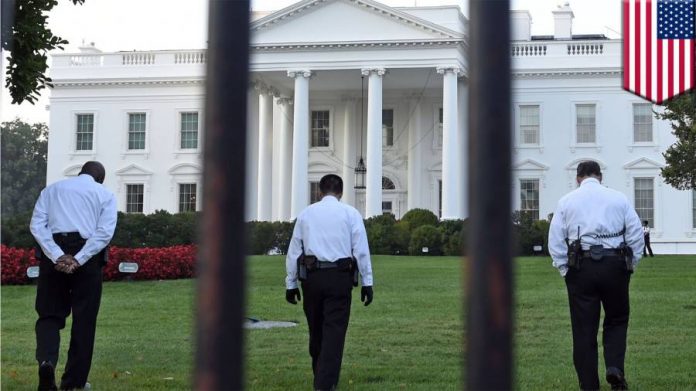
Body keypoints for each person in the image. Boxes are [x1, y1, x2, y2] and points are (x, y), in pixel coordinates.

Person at [548, 161, 644, 391]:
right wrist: (631, 264)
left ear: (578, 178)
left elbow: (556, 240)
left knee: (583, 328)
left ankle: (589, 384)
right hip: (615, 264)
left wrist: (565, 269)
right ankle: (615, 369)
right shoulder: (619, 198)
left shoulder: (567, 201)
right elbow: (635, 233)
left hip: (581, 266)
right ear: (600, 177)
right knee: (617, 320)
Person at [30, 161, 118, 391]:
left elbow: (37, 226)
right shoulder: (104, 194)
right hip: (87, 255)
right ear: (100, 178)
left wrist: (58, 255)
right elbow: (104, 233)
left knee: (49, 314)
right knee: (84, 320)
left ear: (81, 173)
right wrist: (78, 258)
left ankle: (46, 362)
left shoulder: (51, 190)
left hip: (54, 254)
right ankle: (73, 382)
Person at [285, 174, 374, 391]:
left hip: (313, 278)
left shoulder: (306, 214)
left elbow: (294, 251)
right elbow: (361, 250)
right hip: (339, 277)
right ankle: (325, 382)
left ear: (319, 191)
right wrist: (367, 282)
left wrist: (291, 283)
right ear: (341, 192)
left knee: (316, 329)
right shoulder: (351, 214)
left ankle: (322, 376)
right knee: (334, 330)